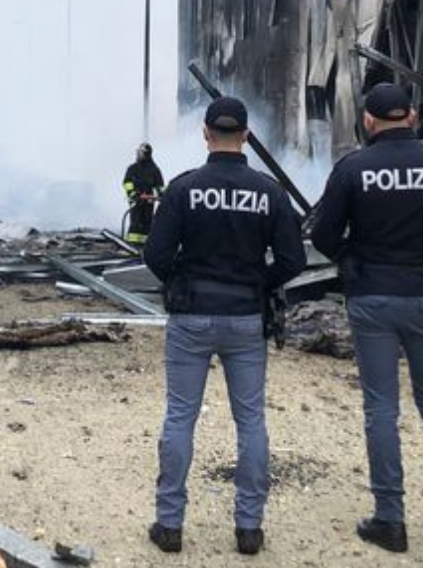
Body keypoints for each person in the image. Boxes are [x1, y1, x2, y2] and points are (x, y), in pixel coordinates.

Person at [309, 82, 423, 556]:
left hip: (372, 297)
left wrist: (353, 257)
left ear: (368, 121)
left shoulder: (353, 168)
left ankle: (391, 519)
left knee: (381, 409)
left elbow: (322, 232)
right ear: (411, 115)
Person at [142, 97, 306, 556]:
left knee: (180, 416)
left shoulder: (184, 188)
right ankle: (249, 529)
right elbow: (293, 260)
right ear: (248, 136)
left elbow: (154, 256)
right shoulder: (269, 191)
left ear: (205, 134)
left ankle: (170, 525)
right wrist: (258, 283)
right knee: (250, 421)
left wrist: (182, 280)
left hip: (191, 315)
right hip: (245, 319)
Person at [123, 143, 164, 246]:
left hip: (148, 202)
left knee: (147, 224)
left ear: (147, 154)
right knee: (135, 224)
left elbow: (160, 185)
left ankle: (145, 247)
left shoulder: (154, 169)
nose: (139, 154)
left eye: (141, 153)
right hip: (136, 201)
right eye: (139, 152)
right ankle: (132, 246)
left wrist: (162, 195)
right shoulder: (132, 168)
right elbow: (127, 182)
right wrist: (132, 193)